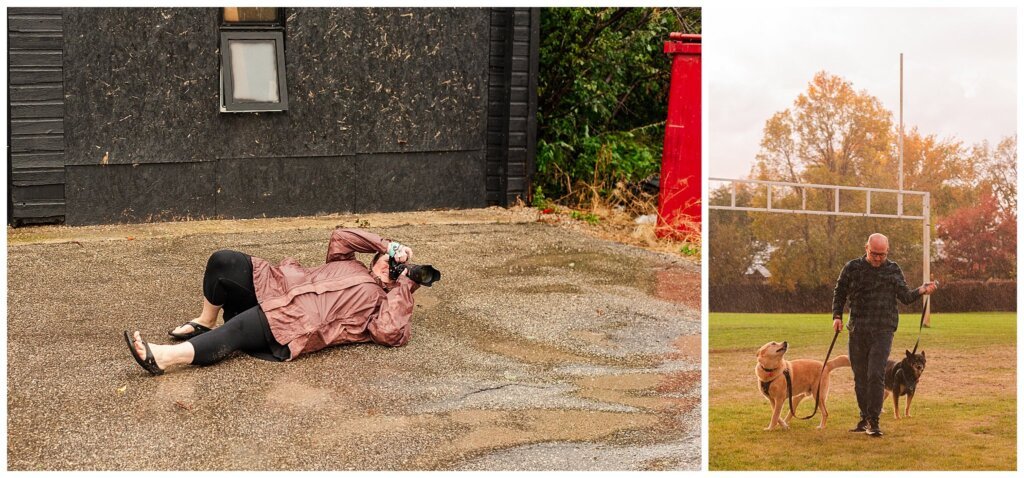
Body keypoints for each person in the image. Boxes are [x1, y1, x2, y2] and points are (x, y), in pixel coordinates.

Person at [124, 228, 422, 375]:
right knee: (224, 261)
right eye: (387, 261)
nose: (389, 266)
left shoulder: (382, 304)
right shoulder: (350, 263)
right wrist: (388, 245)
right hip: (276, 284)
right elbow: (340, 237)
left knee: (238, 331)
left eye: (394, 269)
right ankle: (206, 320)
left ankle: (164, 358)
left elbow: (389, 332)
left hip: (292, 320)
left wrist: (405, 283)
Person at [831, 233, 937, 437]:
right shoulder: (852, 268)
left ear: (887, 251)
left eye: (882, 254)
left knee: (875, 374)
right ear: (866, 248)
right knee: (860, 377)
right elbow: (839, 292)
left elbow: (905, 297)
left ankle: (874, 421)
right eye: (874, 254)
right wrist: (837, 316)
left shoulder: (893, 269)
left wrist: (922, 290)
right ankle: (864, 417)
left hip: (883, 330)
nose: (878, 258)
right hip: (858, 329)